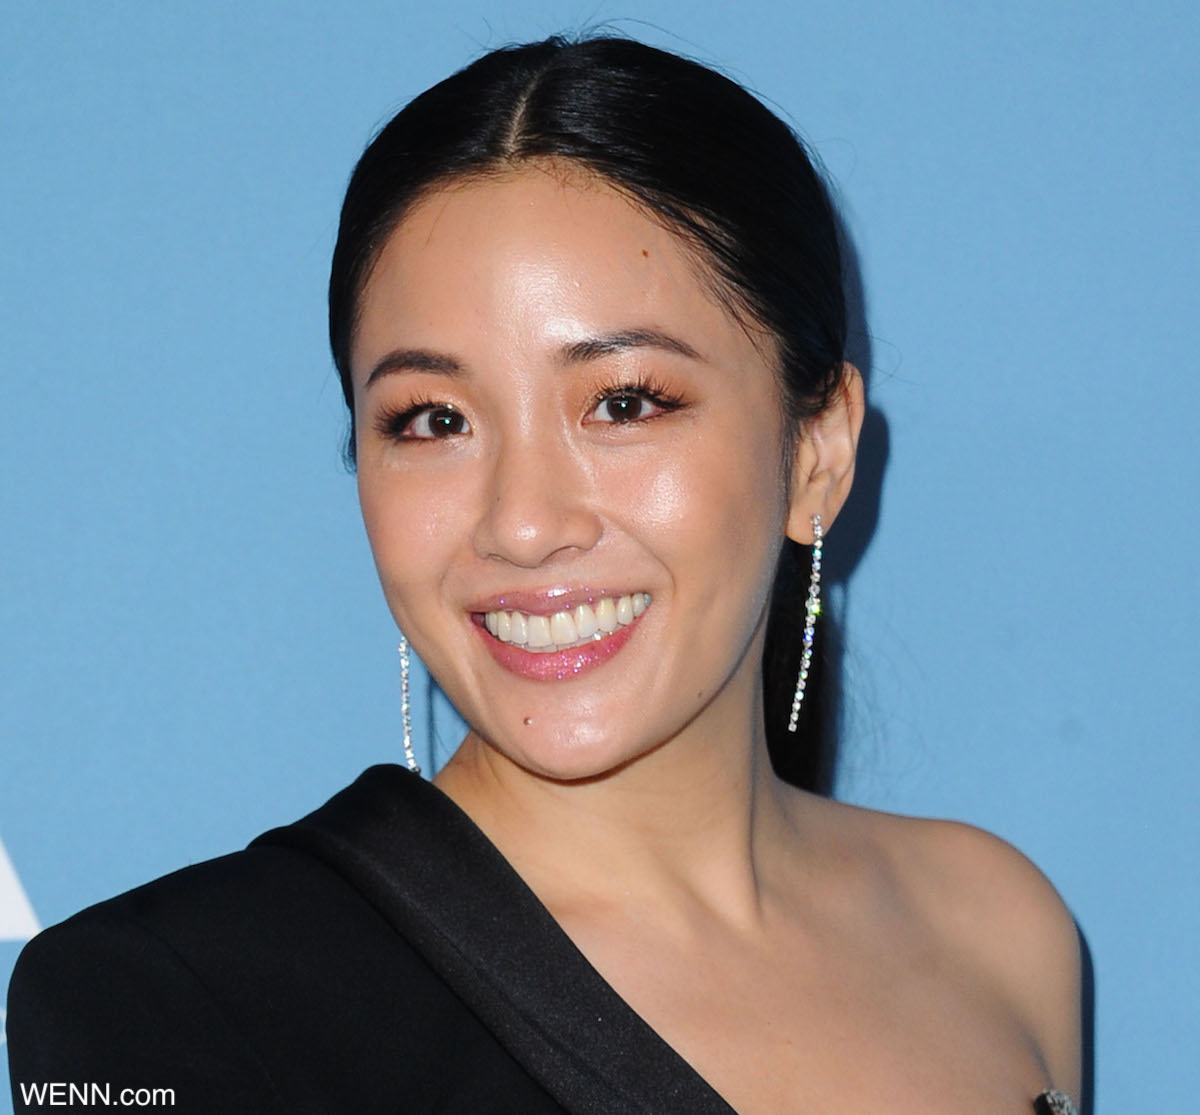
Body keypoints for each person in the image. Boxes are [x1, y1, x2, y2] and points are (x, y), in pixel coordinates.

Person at [6, 35, 1082, 1114]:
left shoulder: (999, 931)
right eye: (435, 419)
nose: (521, 524)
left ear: (817, 451)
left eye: (623, 402)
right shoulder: (175, 1000)